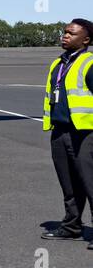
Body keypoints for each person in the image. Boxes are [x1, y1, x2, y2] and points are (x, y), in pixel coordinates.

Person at [42, 18, 93, 243]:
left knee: (90, 182)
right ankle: (72, 226)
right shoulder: (59, 63)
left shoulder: (89, 63)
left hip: (85, 133)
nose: (65, 36)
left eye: (71, 33)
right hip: (60, 131)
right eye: (64, 32)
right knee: (69, 183)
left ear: (86, 39)